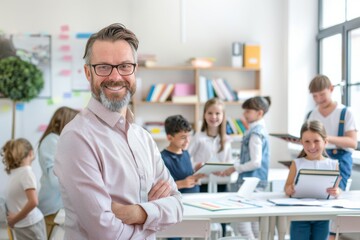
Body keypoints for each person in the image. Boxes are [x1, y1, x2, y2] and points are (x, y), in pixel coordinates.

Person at [53, 23, 183, 240]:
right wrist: (154, 217)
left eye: (124, 66)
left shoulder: (143, 138)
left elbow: (177, 205)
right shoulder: (76, 138)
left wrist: (137, 212)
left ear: (134, 70)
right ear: (88, 73)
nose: (115, 76)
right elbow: (106, 232)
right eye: (103, 67)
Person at [220, 96, 271, 239]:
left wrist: (235, 168)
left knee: (243, 223)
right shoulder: (259, 130)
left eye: (248, 111)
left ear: (259, 113)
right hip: (256, 182)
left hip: (250, 183)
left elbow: (256, 162)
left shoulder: (255, 133)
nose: (244, 115)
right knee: (254, 222)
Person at [285, 120, 341, 240]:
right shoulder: (297, 163)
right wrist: (289, 190)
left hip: (322, 216)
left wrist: (337, 192)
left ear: (325, 142)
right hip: (300, 216)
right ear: (301, 142)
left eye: (316, 141)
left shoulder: (333, 164)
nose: (312, 146)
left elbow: (337, 189)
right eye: (307, 142)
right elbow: (287, 188)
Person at [307, 74, 357, 191]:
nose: (319, 99)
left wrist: (325, 138)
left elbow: (353, 142)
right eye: (315, 96)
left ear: (331, 89)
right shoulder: (312, 115)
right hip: (317, 159)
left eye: (322, 94)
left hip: (340, 159)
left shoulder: (345, 112)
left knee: (334, 193)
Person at [161, 115, 206, 240]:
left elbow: (186, 174)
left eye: (189, 136)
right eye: (182, 138)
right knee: (175, 236)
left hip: (192, 203)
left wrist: (195, 176)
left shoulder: (185, 153)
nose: (187, 141)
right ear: (169, 137)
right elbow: (161, 187)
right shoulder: (163, 158)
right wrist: (182, 183)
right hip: (175, 207)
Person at [37, 106, 79, 238]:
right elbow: (55, 179)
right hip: (52, 208)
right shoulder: (52, 140)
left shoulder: (56, 140)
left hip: (57, 206)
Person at [1, 138, 46, 240]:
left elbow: (33, 202)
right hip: (23, 225)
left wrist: (14, 220)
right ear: (31, 153)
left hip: (30, 225)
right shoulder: (21, 173)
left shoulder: (25, 173)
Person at [188, 97, 233, 193]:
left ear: (223, 116)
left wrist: (227, 170)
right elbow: (186, 159)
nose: (213, 117)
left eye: (217, 113)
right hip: (201, 183)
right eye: (210, 113)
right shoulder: (198, 137)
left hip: (222, 184)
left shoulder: (227, 139)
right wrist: (196, 165)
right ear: (204, 115)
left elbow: (229, 161)